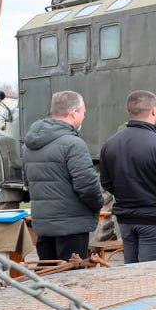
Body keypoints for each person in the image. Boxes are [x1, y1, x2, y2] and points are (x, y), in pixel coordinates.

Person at [99, 90, 156, 263]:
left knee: (132, 272)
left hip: (126, 219)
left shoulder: (109, 145)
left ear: (129, 112)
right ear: (154, 111)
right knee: (152, 276)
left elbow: (107, 182)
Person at [22, 90, 104, 262]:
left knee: (48, 278)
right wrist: (97, 204)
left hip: (44, 227)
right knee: (71, 280)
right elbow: (87, 185)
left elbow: (28, 183)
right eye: (83, 112)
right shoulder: (73, 144)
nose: (83, 116)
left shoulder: (29, 146)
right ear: (73, 112)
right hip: (71, 228)